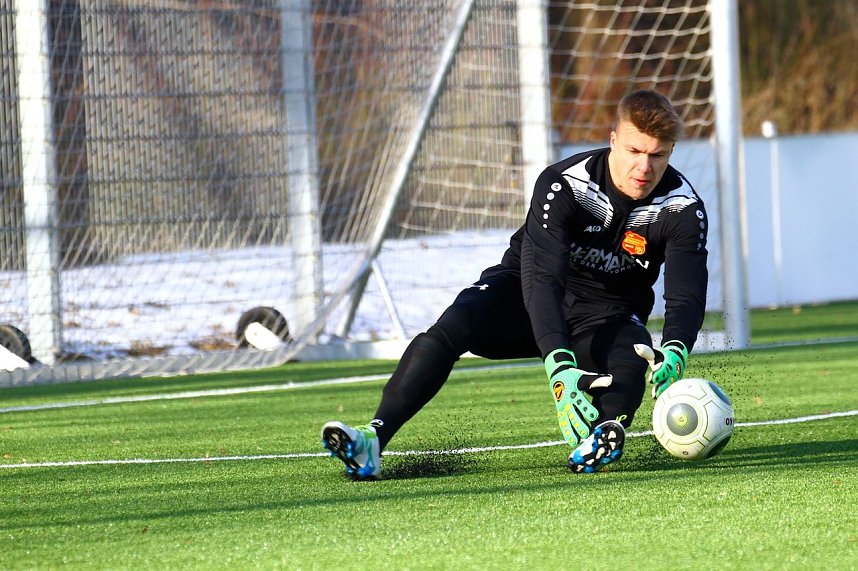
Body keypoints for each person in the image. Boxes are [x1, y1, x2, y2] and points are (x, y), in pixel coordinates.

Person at [321, 89, 708, 478]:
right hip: (524, 295)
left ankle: (603, 437)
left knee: (634, 357)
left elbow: (685, 293)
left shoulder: (682, 208)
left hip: (606, 315)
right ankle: (373, 441)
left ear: (671, 151)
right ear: (612, 141)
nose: (644, 167)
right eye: (634, 151)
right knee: (455, 324)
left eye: (657, 155)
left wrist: (676, 348)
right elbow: (543, 279)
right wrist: (559, 366)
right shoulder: (564, 184)